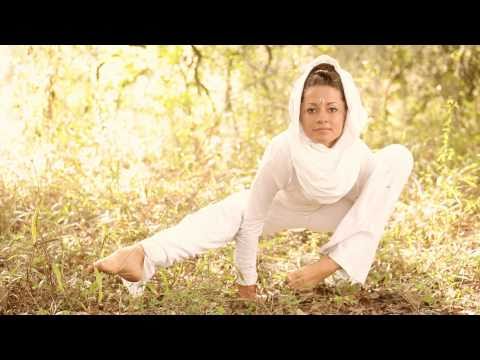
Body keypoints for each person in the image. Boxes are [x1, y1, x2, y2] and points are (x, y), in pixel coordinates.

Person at [88, 55, 414, 300]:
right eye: (311, 109)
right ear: (298, 113)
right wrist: (247, 285)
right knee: (233, 211)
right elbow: (255, 218)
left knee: (398, 156)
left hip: (341, 214)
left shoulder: (359, 154)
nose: (322, 118)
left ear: (347, 111)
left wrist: (326, 265)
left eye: (332, 109)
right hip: (286, 208)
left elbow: (372, 212)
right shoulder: (284, 149)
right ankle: (142, 254)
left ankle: (330, 266)